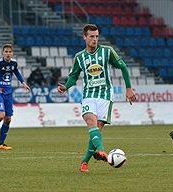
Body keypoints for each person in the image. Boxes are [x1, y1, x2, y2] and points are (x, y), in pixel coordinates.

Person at [57, 24, 136, 172]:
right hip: (88, 95)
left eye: (97, 36)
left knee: (97, 129)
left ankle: (84, 162)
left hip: (105, 95)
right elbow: (73, 77)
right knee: (91, 122)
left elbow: (123, 67)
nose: (95, 39)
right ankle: (101, 150)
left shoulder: (107, 52)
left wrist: (129, 88)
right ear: (85, 37)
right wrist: (65, 87)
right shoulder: (80, 57)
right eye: (92, 36)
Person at [0, 44, 31, 150]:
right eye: (6, 51)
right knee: (1, 115)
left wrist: (23, 83)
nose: (8, 53)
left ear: (12, 53)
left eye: (10, 52)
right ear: (3, 53)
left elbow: (16, 72)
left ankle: (1, 144)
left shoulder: (14, 63)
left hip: (8, 93)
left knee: (8, 119)